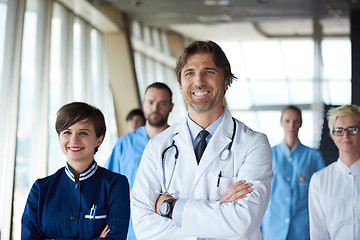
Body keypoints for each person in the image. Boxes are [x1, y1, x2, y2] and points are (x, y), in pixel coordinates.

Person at [131, 40, 273, 239]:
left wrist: (169, 208)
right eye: (189, 73)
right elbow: (143, 226)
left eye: (209, 71)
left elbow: (242, 221)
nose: (198, 81)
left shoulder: (253, 144)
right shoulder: (158, 146)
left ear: (226, 81)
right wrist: (218, 211)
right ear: (180, 83)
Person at [21, 102, 130, 240]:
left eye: (83, 133)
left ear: (99, 139)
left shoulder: (116, 185)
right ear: (59, 137)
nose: (74, 140)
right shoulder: (41, 189)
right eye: (67, 132)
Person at [105, 82, 174, 240]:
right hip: (132, 230)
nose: (155, 108)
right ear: (143, 104)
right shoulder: (125, 144)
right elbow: (107, 185)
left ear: (171, 106)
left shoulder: (182, 141)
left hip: (170, 227)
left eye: (162, 103)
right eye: (150, 103)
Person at [261, 105, 325, 240]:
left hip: (303, 228)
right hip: (273, 227)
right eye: (287, 121)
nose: (291, 125)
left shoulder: (313, 156)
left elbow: (322, 193)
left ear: (301, 123)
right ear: (281, 122)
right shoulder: (269, 154)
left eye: (296, 121)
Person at [309, 104, 360, 239]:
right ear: (332, 135)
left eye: (353, 129)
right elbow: (318, 233)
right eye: (339, 130)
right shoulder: (319, 180)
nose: (346, 135)